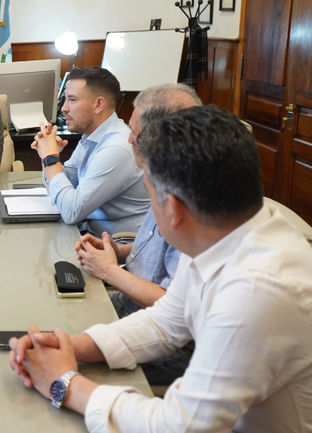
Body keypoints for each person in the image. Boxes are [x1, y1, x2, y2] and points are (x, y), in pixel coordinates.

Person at [8, 105, 312, 432]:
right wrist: (67, 345)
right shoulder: (229, 234)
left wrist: (63, 382)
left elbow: (180, 424)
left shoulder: (259, 291)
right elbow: (165, 322)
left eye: (151, 196)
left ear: (174, 209)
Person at [75, 83, 202, 385]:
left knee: (77, 368)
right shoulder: (165, 175)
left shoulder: (190, 198)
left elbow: (172, 313)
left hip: (175, 346)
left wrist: (109, 271)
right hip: (133, 309)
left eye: (137, 133)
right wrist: (118, 253)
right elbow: (157, 244)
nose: (129, 138)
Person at [33, 67, 149, 234]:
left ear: (98, 105)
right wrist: (48, 154)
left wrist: (51, 159)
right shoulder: (92, 136)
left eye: (72, 100)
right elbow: (68, 183)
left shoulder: (116, 148)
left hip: (121, 245)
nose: (64, 108)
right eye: (65, 100)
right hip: (93, 233)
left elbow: (71, 212)